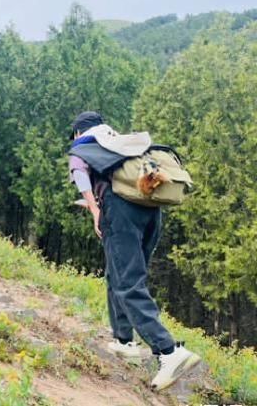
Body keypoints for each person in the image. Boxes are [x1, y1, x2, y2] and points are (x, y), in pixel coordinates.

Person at [68, 111, 201, 391]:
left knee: (128, 282)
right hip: (151, 212)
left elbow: (80, 173)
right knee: (120, 273)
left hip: (120, 213)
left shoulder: (85, 145)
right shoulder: (124, 143)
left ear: (79, 131)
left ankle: (169, 352)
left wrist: (93, 207)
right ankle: (124, 341)